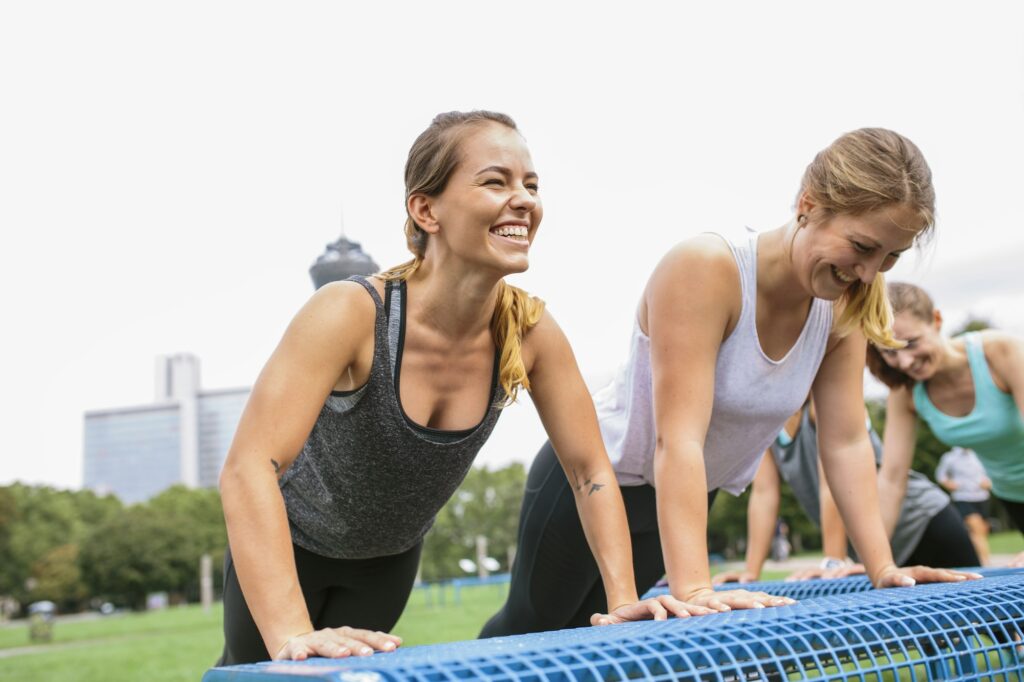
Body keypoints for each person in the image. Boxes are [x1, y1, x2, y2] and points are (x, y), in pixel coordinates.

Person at [217, 111, 697, 665]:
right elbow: (250, 466)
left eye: (531, 185)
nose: (524, 200)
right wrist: (290, 633)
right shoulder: (351, 312)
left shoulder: (532, 331)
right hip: (289, 550)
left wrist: (622, 600)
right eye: (496, 181)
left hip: (388, 564)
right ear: (426, 209)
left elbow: (589, 471)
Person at [482, 127, 979, 639]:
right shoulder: (707, 269)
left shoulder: (842, 308)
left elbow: (848, 441)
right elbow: (678, 438)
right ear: (809, 204)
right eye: (862, 246)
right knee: (534, 627)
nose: (872, 274)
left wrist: (883, 569)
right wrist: (696, 589)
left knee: (603, 642)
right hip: (594, 478)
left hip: (680, 498)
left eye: (891, 258)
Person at [714, 402, 978, 586]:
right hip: (874, 544)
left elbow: (833, 482)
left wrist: (833, 560)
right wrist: (751, 571)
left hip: (921, 518)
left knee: (994, 616)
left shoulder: (821, 403)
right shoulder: (767, 421)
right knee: (930, 635)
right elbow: (764, 494)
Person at [867, 282, 1024, 567]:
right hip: (1012, 495)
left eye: (911, 343)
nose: (904, 362)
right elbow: (891, 479)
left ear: (936, 321)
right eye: (889, 352)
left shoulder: (999, 351)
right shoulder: (906, 392)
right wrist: (874, 561)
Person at [936, 446, 992, 565]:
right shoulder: (950, 457)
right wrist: (949, 484)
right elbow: (940, 475)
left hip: (982, 496)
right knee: (977, 529)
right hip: (963, 497)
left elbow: (990, 471)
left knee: (982, 530)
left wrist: (988, 481)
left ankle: (976, 557)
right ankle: (985, 562)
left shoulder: (979, 453)